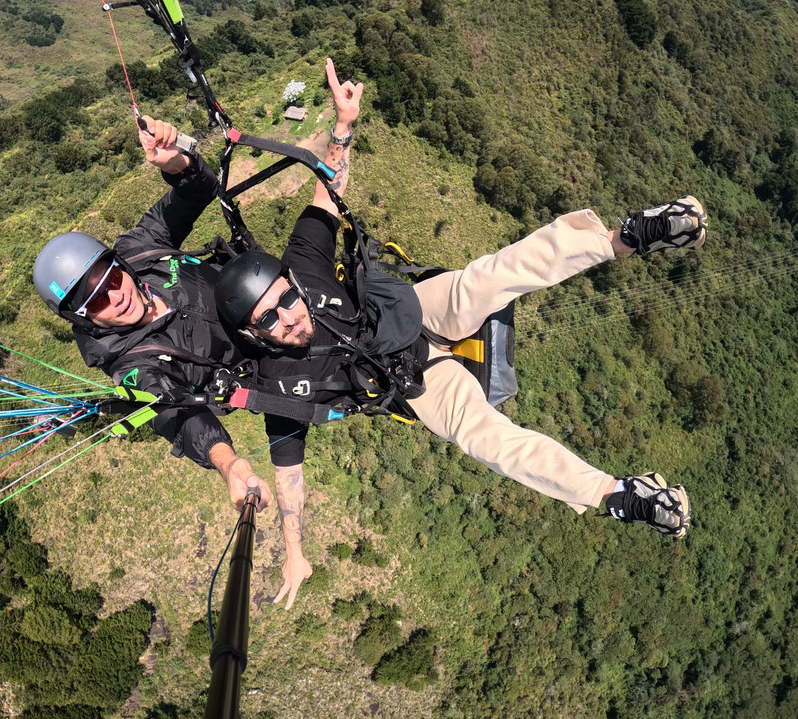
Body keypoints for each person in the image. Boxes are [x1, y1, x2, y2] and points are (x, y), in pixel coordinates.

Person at [215, 110, 706, 608]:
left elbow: (325, 192)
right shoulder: (277, 382)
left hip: (414, 311)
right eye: (271, 320)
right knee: (486, 440)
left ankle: (627, 238)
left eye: (286, 299)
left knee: (490, 279)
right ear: (253, 332)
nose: (289, 317)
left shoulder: (302, 261)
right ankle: (618, 495)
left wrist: (343, 123)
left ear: (290, 282)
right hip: (414, 381)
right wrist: (293, 550)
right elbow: (288, 474)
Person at [32, 116, 274, 513]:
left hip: (273, 298)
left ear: (119, 264)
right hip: (272, 360)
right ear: (80, 319)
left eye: (110, 277)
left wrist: (176, 162)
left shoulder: (140, 249)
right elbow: (177, 417)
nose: (115, 296)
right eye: (93, 301)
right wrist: (229, 465)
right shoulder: (133, 368)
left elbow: (197, 192)